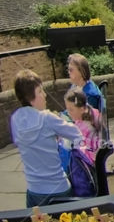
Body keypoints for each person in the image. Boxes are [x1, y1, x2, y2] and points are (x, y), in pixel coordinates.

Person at [10, 70, 82, 207]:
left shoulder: (15, 119)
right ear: (30, 98)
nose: (45, 95)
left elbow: (24, 143)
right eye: (40, 91)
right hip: (59, 189)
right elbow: (77, 135)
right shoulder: (47, 118)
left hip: (34, 192)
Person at [62, 88, 102, 167]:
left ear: (82, 109)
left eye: (71, 110)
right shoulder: (91, 111)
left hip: (88, 162)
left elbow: (80, 151)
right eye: (67, 109)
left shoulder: (83, 128)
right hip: (92, 154)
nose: (68, 113)